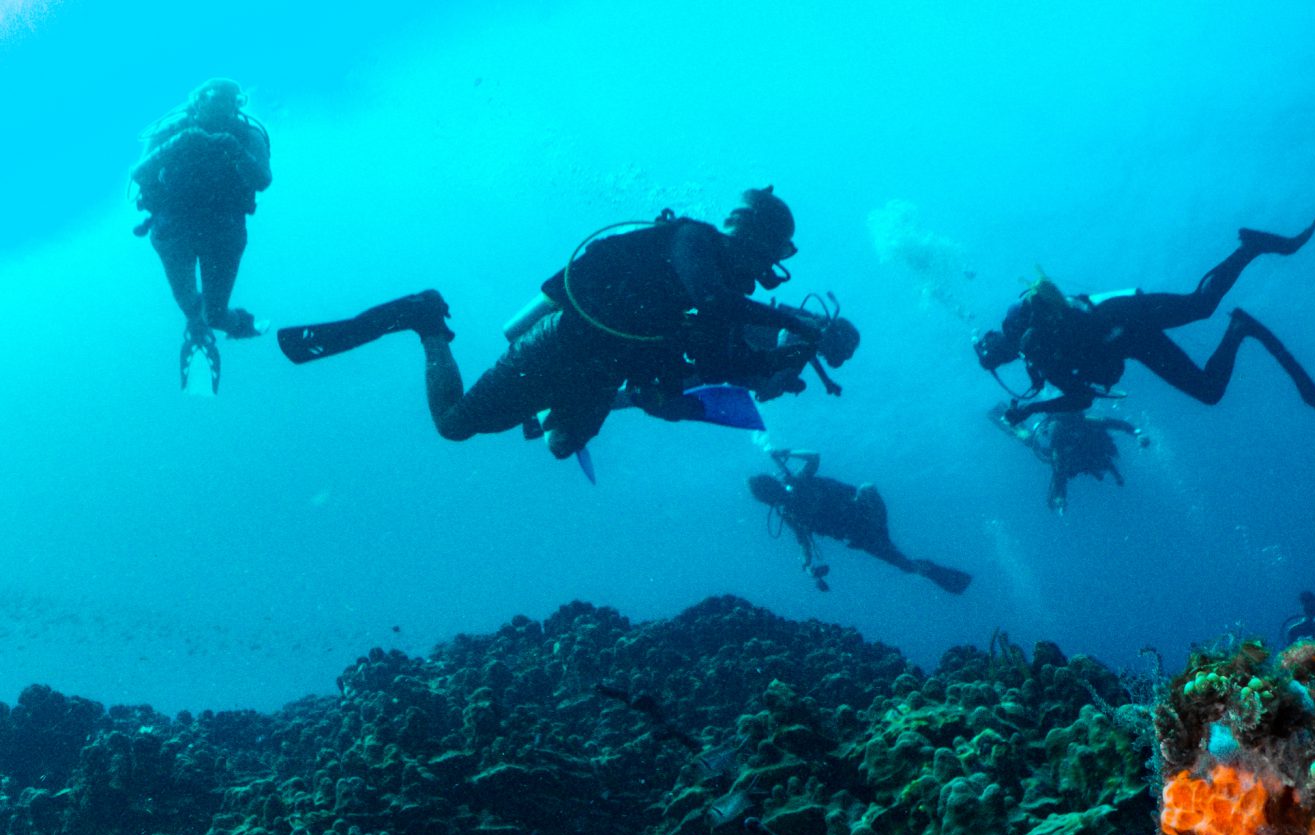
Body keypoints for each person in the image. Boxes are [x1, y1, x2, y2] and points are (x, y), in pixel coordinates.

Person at [277, 189, 852, 459]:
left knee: (559, 447)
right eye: (771, 251)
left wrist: (779, 359)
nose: (767, 270)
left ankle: (547, 415)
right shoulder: (693, 240)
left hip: (607, 369)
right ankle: (425, 320)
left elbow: (718, 362)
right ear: (752, 237)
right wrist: (800, 327)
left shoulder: (722, 296)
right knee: (454, 426)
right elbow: (714, 299)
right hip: (561, 345)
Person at [973, 217, 1315, 423]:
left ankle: (1251, 248)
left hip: (1124, 315)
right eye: (995, 360)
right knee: (1208, 390)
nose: (1001, 359)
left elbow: (1080, 395)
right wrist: (1036, 407)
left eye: (993, 356)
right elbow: (1081, 399)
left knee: (1200, 306)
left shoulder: (1031, 338)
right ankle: (1238, 326)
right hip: (1132, 340)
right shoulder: (1038, 361)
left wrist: (1035, 407)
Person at [132, 79, 272, 390]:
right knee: (189, 305)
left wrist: (234, 149)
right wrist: (180, 141)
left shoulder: (246, 135)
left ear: (237, 104)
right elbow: (139, 173)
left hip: (223, 233)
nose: (219, 108)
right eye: (212, 100)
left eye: (226, 102)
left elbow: (262, 179)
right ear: (198, 102)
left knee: (216, 313)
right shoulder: (171, 130)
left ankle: (238, 324)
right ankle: (199, 327)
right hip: (174, 231)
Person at [749, 449, 972, 595]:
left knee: (866, 488)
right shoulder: (790, 514)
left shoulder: (799, 481)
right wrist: (808, 568)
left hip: (866, 513)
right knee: (905, 565)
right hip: (861, 536)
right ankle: (945, 577)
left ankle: (938, 574)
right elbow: (803, 544)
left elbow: (814, 457)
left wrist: (787, 452)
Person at [991, 402, 1148, 511]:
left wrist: (1137, 434)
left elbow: (1117, 424)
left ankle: (1014, 425)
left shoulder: (1088, 422)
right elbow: (1058, 469)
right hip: (1074, 458)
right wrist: (1059, 495)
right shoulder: (1058, 433)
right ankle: (1009, 422)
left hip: (1087, 456)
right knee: (1030, 441)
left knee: (1031, 441)